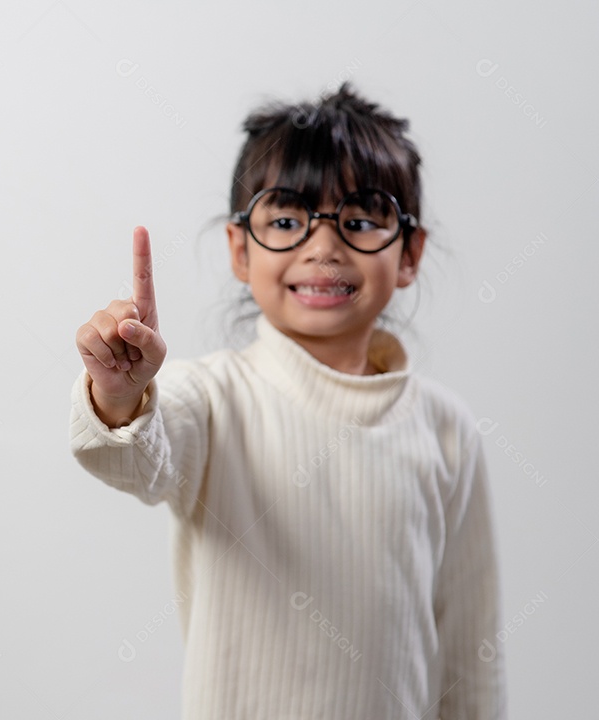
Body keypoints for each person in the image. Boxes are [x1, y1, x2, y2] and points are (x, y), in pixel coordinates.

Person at [69, 81, 507, 719]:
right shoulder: (212, 399)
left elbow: (472, 655)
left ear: (409, 252)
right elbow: (135, 459)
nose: (323, 247)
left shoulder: (446, 430)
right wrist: (120, 395)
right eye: (286, 220)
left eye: (359, 220)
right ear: (240, 250)